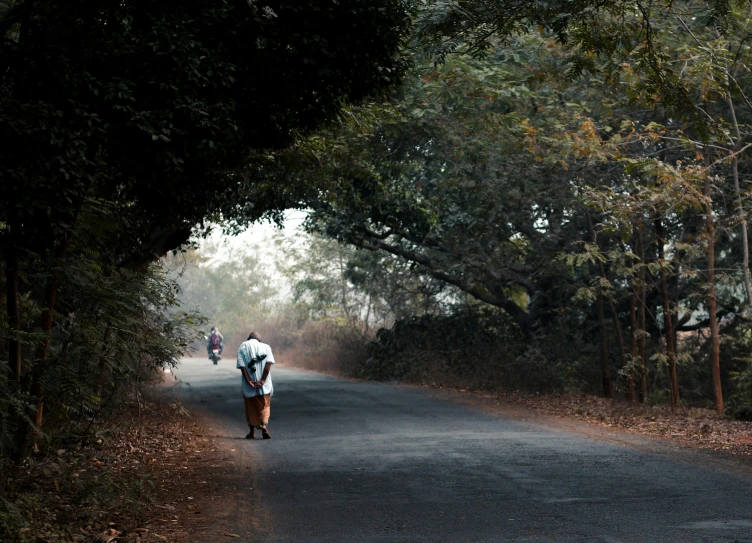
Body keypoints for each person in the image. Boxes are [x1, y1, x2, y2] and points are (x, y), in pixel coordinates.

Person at [236, 332, 275, 439]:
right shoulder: (266, 347)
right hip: (264, 383)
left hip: (249, 384)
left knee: (250, 407)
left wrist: (249, 381)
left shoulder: (242, 347)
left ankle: (252, 432)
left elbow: (242, 366)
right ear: (259, 340)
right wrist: (262, 380)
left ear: (248, 338)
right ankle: (264, 425)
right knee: (265, 405)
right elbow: (268, 364)